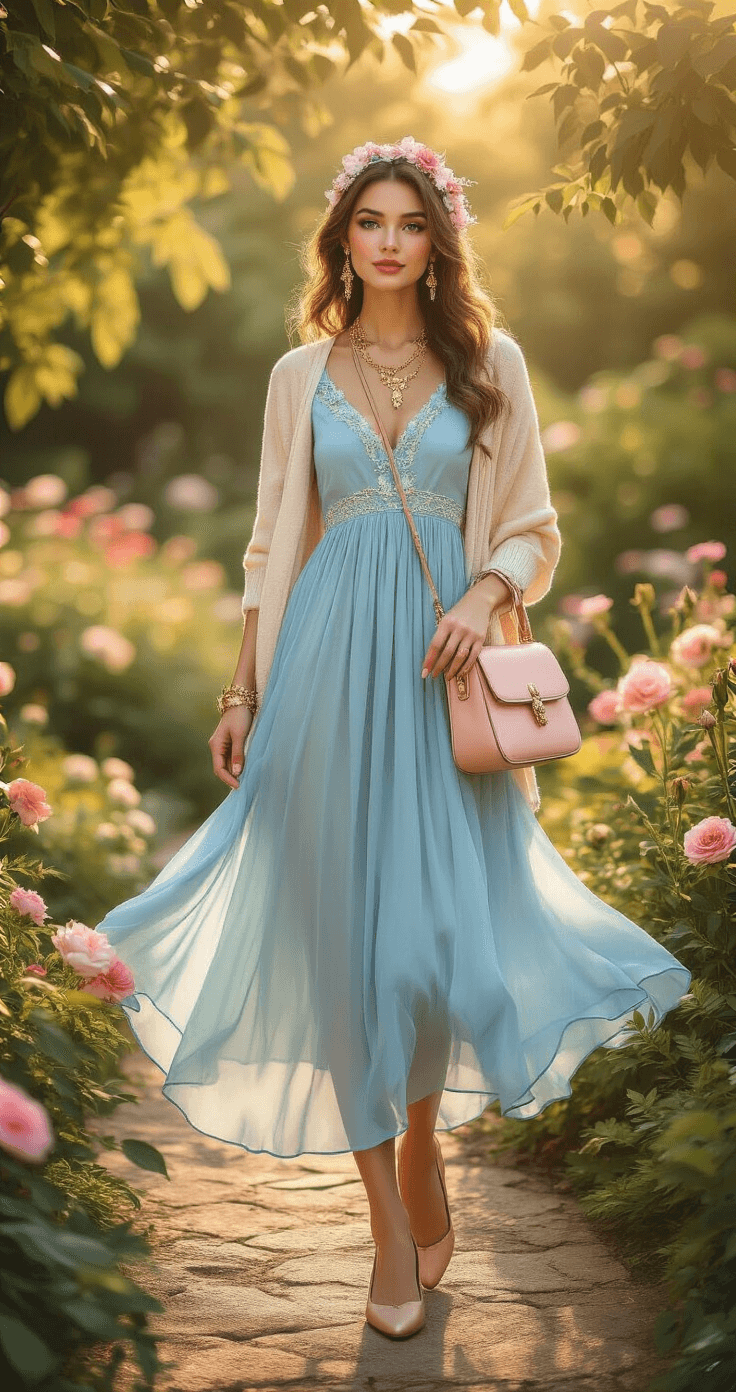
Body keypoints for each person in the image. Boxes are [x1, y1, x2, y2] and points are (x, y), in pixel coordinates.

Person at [95, 136, 691, 1341]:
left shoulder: (490, 364)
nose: (387, 240)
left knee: (421, 957)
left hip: (441, 678)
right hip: (320, 670)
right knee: (338, 951)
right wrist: (240, 691)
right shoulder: (295, 374)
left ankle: (420, 1148)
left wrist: (482, 594)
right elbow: (271, 543)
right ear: (343, 238)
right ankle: (382, 1220)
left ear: (436, 239)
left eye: (409, 221)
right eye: (368, 220)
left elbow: (532, 527)